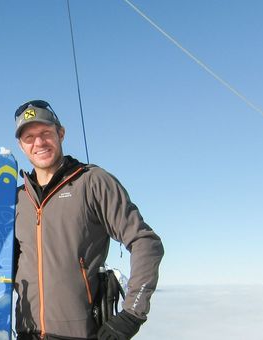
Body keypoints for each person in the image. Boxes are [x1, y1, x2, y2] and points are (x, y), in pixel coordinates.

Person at [10, 99, 163, 340]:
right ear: (21, 145)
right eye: (29, 137)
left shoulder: (91, 182)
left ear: (61, 133)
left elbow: (145, 242)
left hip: (81, 333)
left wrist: (132, 314)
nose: (38, 142)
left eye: (45, 133)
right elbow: (6, 265)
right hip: (26, 332)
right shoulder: (18, 199)